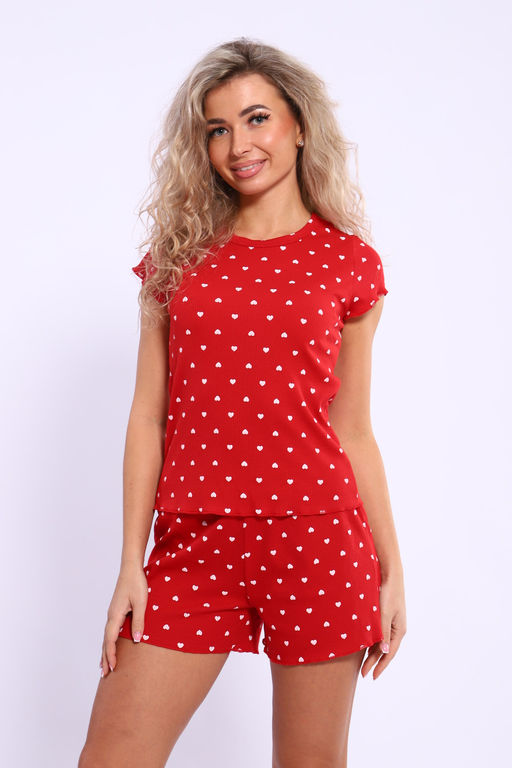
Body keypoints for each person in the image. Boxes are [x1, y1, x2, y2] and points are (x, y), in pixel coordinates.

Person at [78, 36, 406, 768]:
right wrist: (131, 562)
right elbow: (147, 415)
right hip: (194, 545)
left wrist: (392, 570)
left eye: (257, 119)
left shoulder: (349, 263)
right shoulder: (178, 260)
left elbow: (353, 430)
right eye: (217, 129)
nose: (238, 145)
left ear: (300, 124)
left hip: (319, 543)